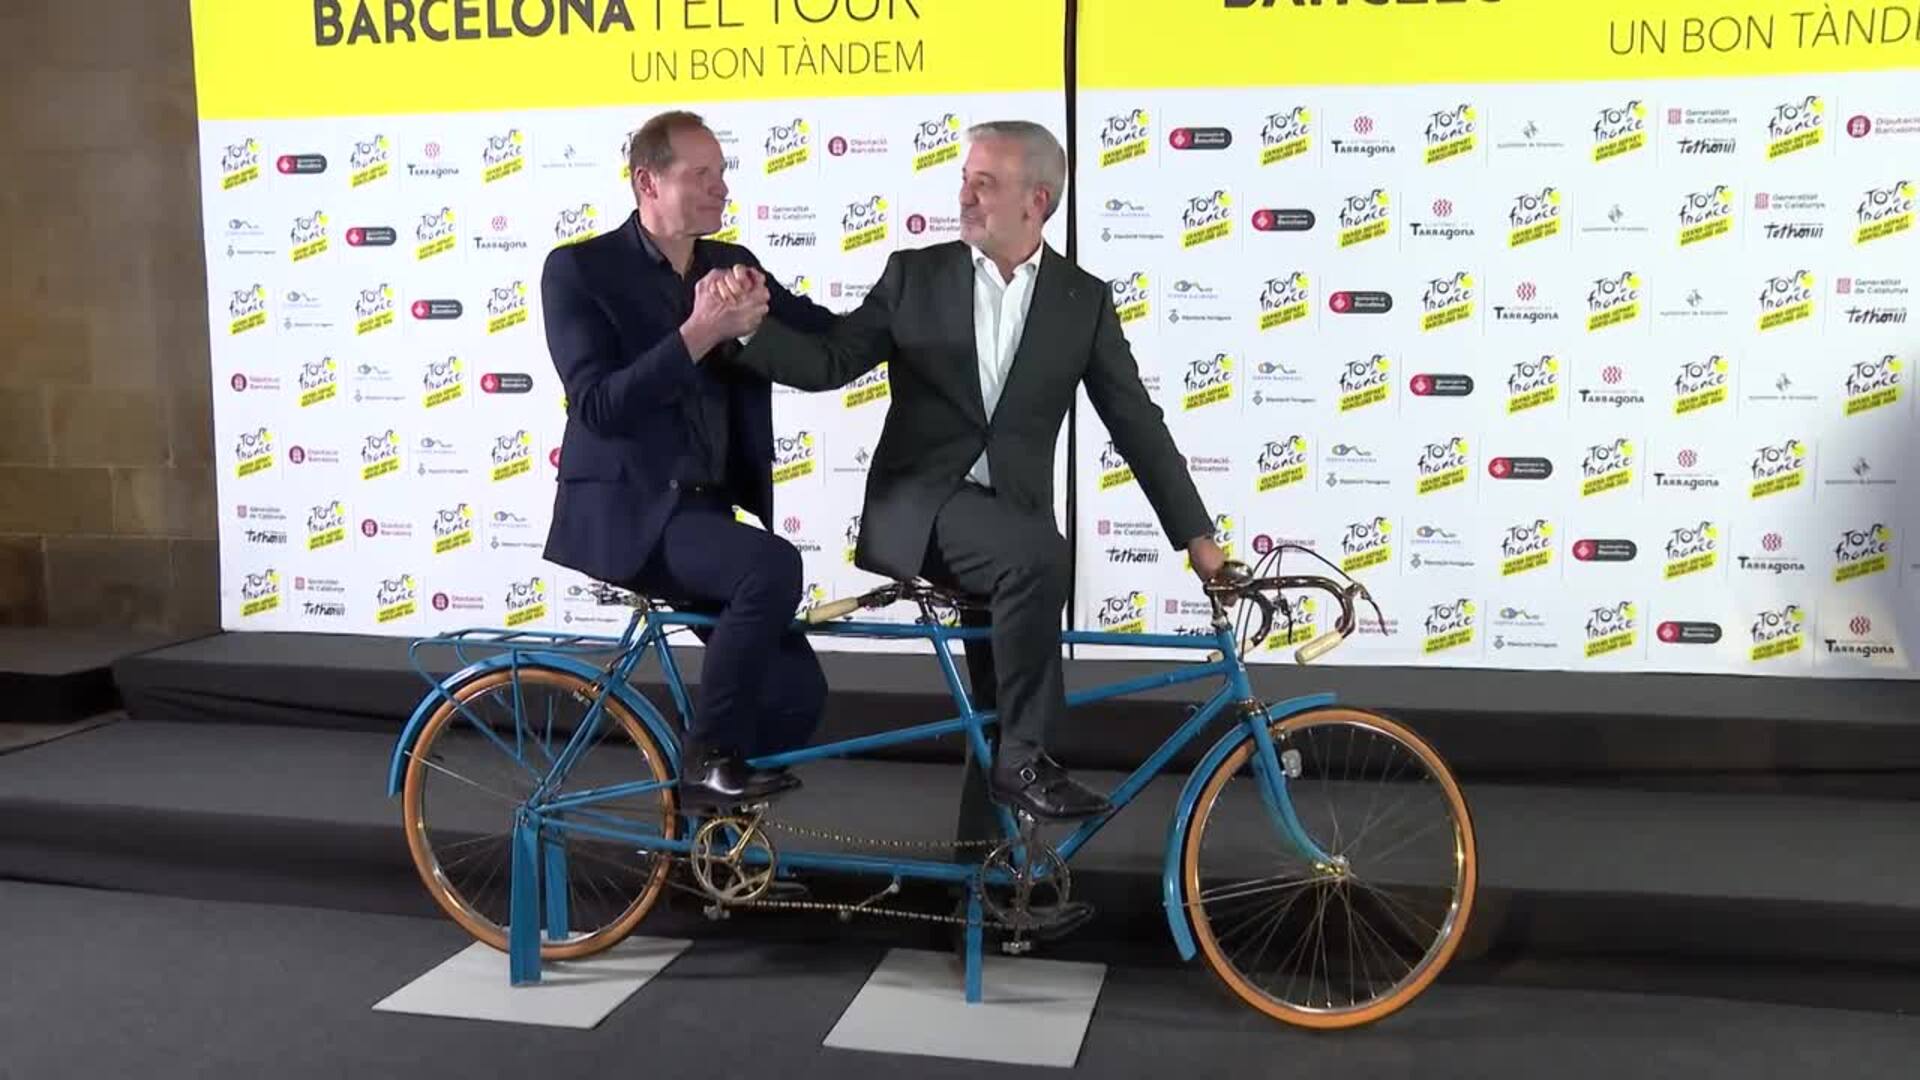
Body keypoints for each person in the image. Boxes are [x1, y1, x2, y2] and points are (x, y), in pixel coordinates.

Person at [717, 120, 1226, 822]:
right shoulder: (914, 275)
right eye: (965, 180)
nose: (964, 196)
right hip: (925, 511)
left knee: (997, 710)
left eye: (983, 184)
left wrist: (1198, 539)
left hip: (1011, 529)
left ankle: (991, 868)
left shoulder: (1082, 300)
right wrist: (746, 328)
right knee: (1036, 572)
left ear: (1036, 200)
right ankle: (1027, 762)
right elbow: (830, 361)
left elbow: (1136, 423)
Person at [540, 110, 837, 807]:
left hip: (704, 514)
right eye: (701, 175)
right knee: (770, 566)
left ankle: (708, 847)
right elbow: (598, 407)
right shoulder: (579, 269)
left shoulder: (731, 265)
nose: (721, 188)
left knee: (797, 692)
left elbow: (826, 335)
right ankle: (706, 760)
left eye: (722, 173)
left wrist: (918, 313)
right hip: (631, 513)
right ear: (648, 182)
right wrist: (700, 332)